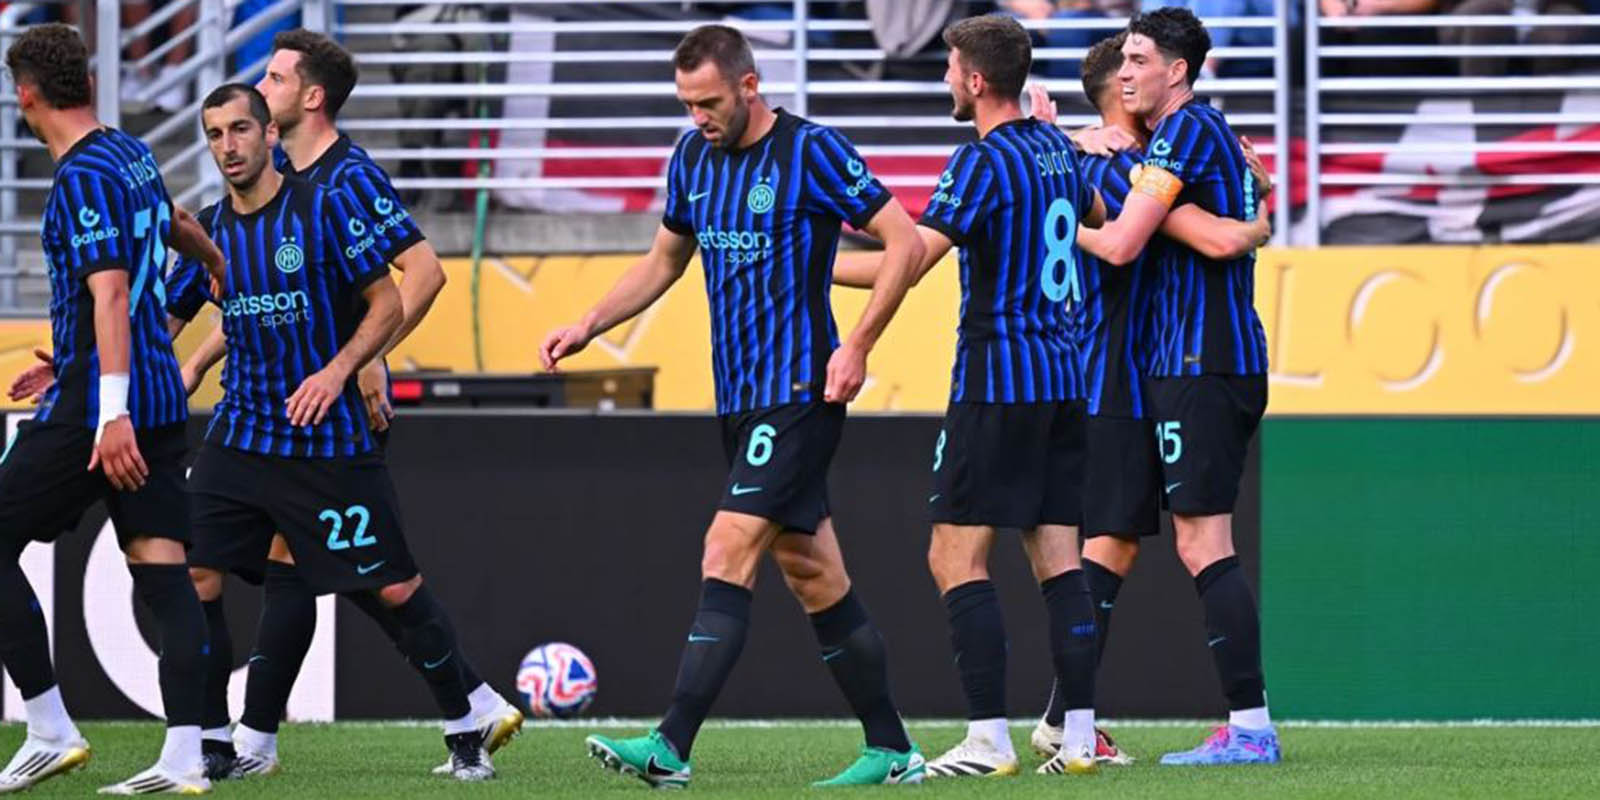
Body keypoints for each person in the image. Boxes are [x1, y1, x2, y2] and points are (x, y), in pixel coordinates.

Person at [544, 23, 928, 789]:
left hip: (800, 393)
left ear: (750, 86)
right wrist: (589, 323)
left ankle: (670, 748)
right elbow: (664, 260)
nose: (698, 118)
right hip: (740, 401)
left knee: (726, 547)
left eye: (709, 102)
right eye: (686, 104)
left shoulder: (812, 150)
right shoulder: (692, 157)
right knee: (812, 572)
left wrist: (857, 345)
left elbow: (905, 243)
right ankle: (893, 749)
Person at [176, 30, 519, 780]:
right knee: (262, 571)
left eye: (273, 81)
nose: (259, 92)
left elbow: (417, 276)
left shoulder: (342, 183)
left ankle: (469, 706)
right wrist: (197, 358)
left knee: (371, 579)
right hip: (252, 425)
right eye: (217, 131)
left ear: (306, 101)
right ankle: (237, 741)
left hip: (329, 423)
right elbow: (256, 300)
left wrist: (360, 362)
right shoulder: (237, 210)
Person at [836, 13, 1108, 779]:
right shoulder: (1056, 147)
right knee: (1060, 560)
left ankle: (988, 740)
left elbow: (912, 259)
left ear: (977, 80)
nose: (946, 81)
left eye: (951, 69)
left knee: (954, 554)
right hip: (1063, 380)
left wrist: (820, 273)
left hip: (999, 381)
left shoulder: (980, 163)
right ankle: (1078, 739)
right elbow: (1095, 214)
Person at [1024, 32, 1272, 765]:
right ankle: (1069, 720)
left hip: (1167, 369)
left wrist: (1058, 192)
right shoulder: (1125, 159)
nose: (1133, 79)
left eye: (1143, 63)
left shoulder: (1161, 147)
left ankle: (1245, 726)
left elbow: (1195, 232)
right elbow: (1210, 235)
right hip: (1125, 376)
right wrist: (1255, 223)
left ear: (1174, 72)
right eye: (1126, 69)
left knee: (1166, 541)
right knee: (1117, 541)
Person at [0, 23, 227, 795]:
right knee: (164, 575)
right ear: (88, 84)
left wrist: (107, 411)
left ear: (25, 95)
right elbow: (178, 223)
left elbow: (109, 293)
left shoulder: (79, 178)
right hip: (156, 395)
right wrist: (216, 264)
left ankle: (48, 728)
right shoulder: (129, 152)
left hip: (105, 407)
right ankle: (187, 756)